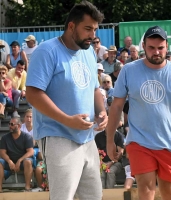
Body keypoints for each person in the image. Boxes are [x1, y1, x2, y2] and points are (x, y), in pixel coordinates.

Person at [25, 2, 108, 200]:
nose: (92, 35)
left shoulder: (88, 51)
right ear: (71, 26)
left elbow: (94, 88)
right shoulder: (46, 51)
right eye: (87, 29)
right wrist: (67, 120)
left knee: (94, 197)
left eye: (95, 29)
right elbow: (33, 94)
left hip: (88, 139)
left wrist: (101, 111)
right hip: (58, 137)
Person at [106, 25, 171, 200]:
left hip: (170, 142)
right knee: (146, 191)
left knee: (170, 193)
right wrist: (110, 140)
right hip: (140, 141)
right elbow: (116, 107)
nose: (156, 52)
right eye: (151, 48)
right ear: (143, 46)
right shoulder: (128, 70)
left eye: (160, 48)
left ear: (167, 46)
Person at [0, 117, 34, 192]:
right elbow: (2, 152)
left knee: (28, 161)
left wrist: (19, 160)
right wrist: (9, 161)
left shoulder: (26, 137)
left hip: (22, 162)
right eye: (9, 124)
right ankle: (0, 188)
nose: (9, 126)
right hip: (9, 162)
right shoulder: (5, 138)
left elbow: (31, 152)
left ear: (18, 126)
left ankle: (27, 186)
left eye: (12, 124)